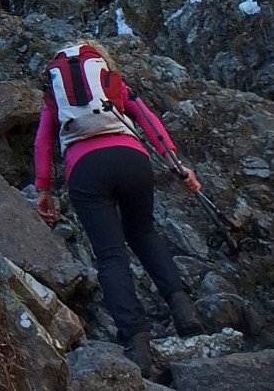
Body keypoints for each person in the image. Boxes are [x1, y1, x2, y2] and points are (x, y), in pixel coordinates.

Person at [33, 41, 205, 375]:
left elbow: (43, 140)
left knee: (111, 256)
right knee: (143, 232)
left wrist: (44, 189)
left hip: (85, 169)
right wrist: (178, 166)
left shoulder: (56, 91)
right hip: (132, 159)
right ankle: (184, 309)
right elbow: (147, 119)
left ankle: (137, 343)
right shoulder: (110, 82)